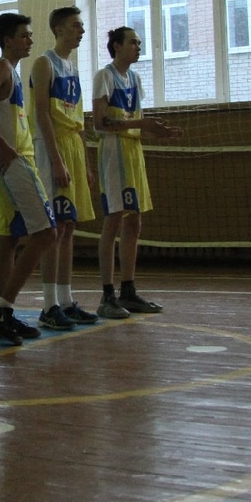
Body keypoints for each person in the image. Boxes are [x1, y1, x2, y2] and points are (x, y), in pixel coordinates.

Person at [92, 26, 183, 319]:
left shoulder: (135, 79)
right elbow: (99, 123)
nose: (138, 47)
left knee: (134, 221)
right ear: (117, 46)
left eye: (140, 43)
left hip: (133, 153)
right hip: (113, 154)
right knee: (114, 220)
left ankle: (128, 290)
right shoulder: (105, 76)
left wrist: (159, 132)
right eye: (133, 42)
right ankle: (107, 294)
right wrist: (142, 125)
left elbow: (137, 123)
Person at [0, 13, 58, 345]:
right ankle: (2, 307)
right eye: (24, 35)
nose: (30, 40)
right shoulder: (0, 67)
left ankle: (1, 315)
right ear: (8, 40)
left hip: (13, 158)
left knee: (9, 237)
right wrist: (4, 146)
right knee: (46, 233)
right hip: (12, 161)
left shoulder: (11, 70)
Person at [29, 7, 98, 331]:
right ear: (58, 29)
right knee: (54, 227)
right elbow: (42, 113)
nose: (80, 31)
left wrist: (85, 163)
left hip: (72, 146)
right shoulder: (44, 63)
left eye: (81, 26)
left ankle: (66, 300)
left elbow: (78, 119)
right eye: (75, 26)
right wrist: (56, 159)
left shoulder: (72, 66)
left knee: (69, 227)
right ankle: (49, 305)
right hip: (51, 146)